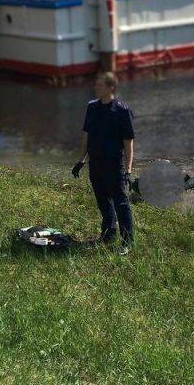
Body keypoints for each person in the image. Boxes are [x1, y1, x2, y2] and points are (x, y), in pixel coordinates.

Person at [72, 72, 135, 255]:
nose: (96, 88)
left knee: (121, 203)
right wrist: (80, 160)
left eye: (100, 85)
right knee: (102, 201)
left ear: (111, 88)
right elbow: (86, 135)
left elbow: (128, 142)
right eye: (96, 84)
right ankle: (108, 233)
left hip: (114, 165)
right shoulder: (92, 107)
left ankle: (127, 241)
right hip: (95, 164)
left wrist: (129, 170)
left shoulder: (122, 110)